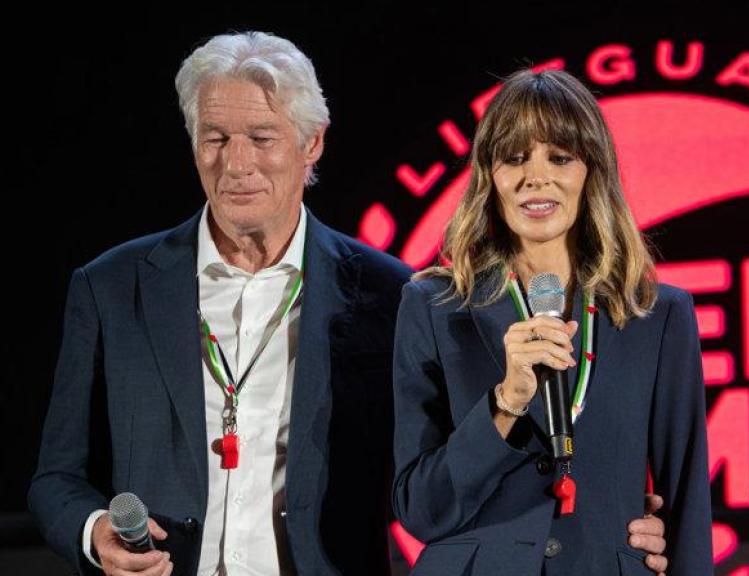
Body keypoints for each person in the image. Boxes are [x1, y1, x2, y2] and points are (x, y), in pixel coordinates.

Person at [28, 32, 671, 575]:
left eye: (261, 137)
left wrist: (617, 516)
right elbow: (56, 478)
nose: (236, 164)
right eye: (215, 138)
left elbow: (448, 467)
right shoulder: (112, 288)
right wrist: (93, 531)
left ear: (312, 143)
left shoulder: (390, 293)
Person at [392, 69, 713, 575]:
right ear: (489, 175)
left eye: (560, 158)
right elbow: (420, 508)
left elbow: (688, 503)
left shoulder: (657, 314)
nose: (535, 177)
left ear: (591, 171)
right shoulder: (434, 306)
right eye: (514, 158)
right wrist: (505, 403)